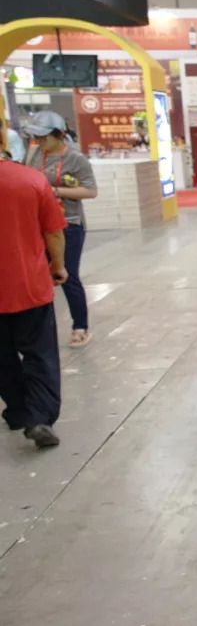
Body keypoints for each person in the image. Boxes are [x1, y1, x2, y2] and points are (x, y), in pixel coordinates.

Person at [0, 149, 68, 448]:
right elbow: (53, 232)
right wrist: (59, 266)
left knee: (2, 357)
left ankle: (17, 411)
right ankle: (39, 418)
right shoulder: (31, 179)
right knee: (40, 355)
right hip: (29, 285)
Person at [23, 111, 97, 347]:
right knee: (36, 275)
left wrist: (54, 191)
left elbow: (90, 190)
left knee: (66, 274)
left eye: (44, 137)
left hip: (68, 223)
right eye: (36, 137)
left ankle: (80, 327)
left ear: (59, 135)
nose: (40, 142)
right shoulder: (34, 154)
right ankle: (37, 330)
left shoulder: (76, 159)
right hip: (38, 223)